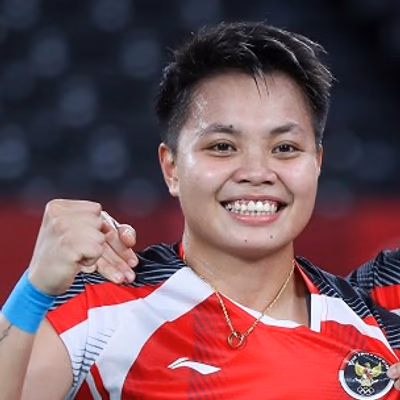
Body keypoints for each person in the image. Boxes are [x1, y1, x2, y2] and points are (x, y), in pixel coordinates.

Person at [1, 21, 400, 399]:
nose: (257, 172)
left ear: (317, 163)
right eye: (222, 147)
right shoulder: (103, 308)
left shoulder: (379, 311)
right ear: (171, 168)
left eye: (285, 148)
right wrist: (35, 289)